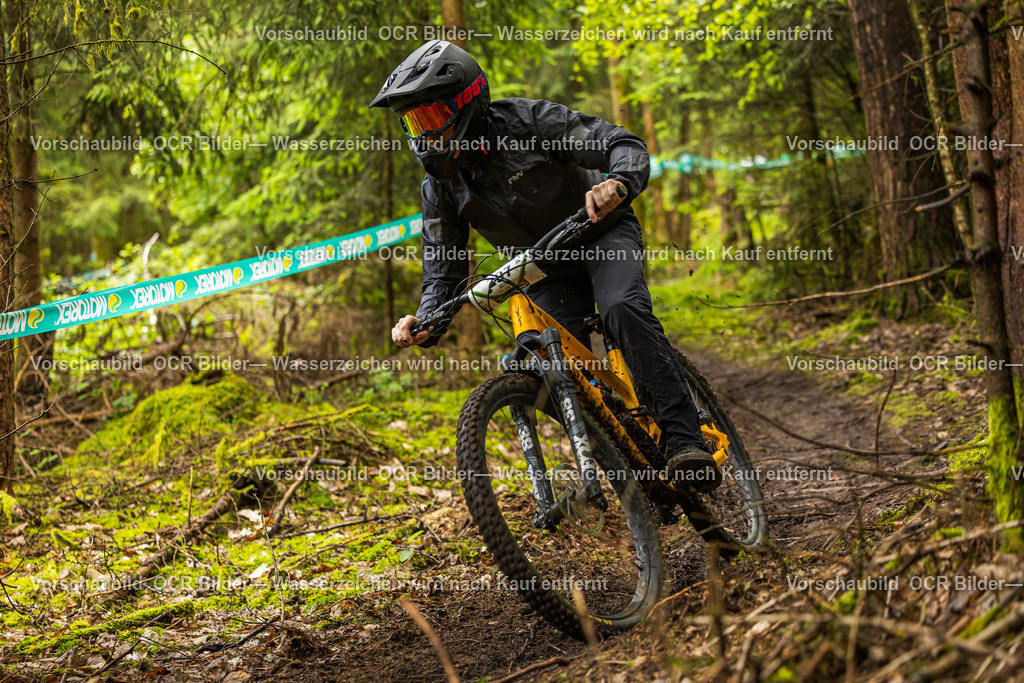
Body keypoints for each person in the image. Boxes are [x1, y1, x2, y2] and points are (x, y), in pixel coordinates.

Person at [369, 40, 720, 492]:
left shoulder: (526, 121)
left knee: (621, 309)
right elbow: (444, 264)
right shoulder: (440, 187)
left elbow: (620, 143)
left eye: (431, 118)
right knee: (546, 365)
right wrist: (427, 320)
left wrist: (617, 182)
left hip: (600, 234)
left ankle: (685, 439)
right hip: (542, 268)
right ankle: (629, 471)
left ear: (466, 102)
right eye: (414, 123)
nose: (425, 135)